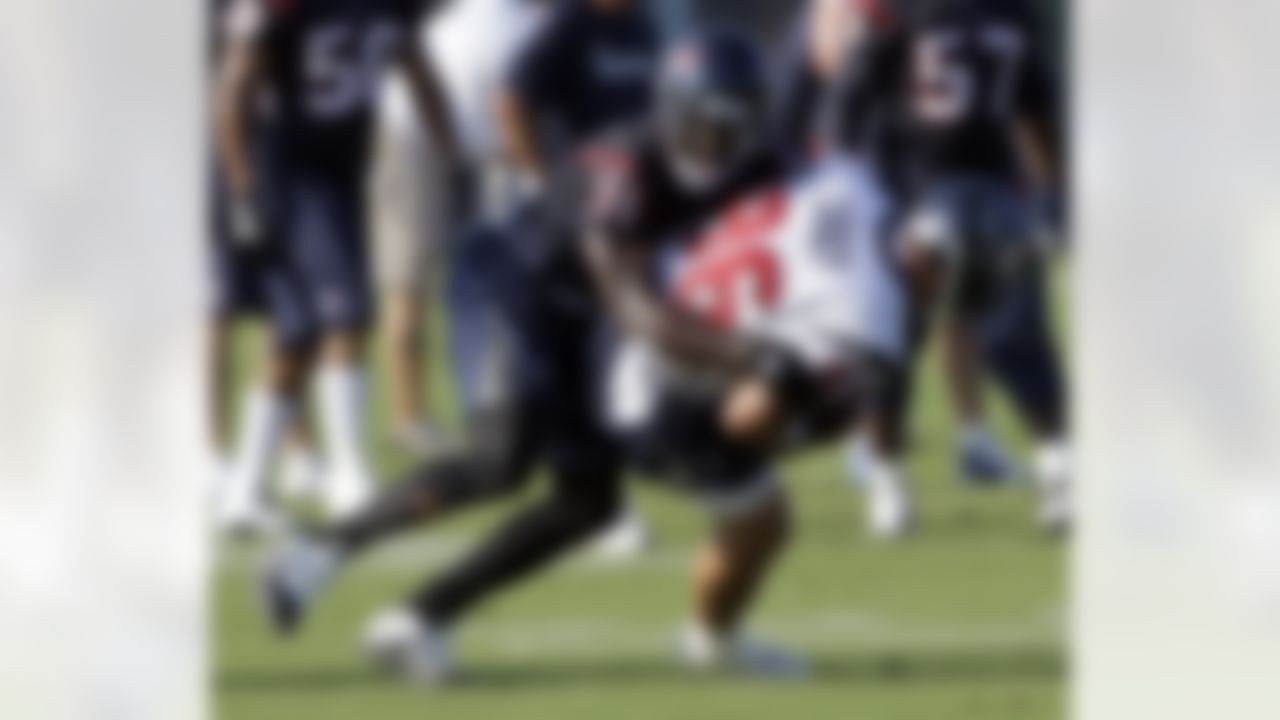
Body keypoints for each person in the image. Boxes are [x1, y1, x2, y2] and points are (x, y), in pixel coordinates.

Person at [259, 30, 905, 682]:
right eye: (705, 123)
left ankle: (416, 621)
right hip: (514, 284)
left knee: (588, 502)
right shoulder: (623, 167)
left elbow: (825, 190)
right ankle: (314, 553)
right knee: (501, 455)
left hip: (586, 318)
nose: (719, 142)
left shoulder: (762, 161)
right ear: (670, 111)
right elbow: (635, 308)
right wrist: (754, 354)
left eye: (735, 125)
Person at [211, 0, 457, 532]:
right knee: (348, 314)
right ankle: (349, 475)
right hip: (285, 171)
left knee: (297, 333)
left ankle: (243, 491)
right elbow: (232, 92)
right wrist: (243, 191)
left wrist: (449, 154)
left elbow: (421, 74)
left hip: (340, 173)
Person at [831, 0, 1071, 531]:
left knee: (887, 345)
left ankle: (889, 488)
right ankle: (1059, 474)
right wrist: (1052, 196)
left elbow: (846, 106)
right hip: (991, 198)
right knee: (1020, 342)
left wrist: (842, 193)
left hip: (912, 197)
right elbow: (1037, 109)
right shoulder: (1011, 14)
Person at [491, 0, 665, 556]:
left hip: (631, 216)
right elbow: (511, 97)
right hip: (578, 219)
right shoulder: (569, 22)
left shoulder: (643, 23)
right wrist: (542, 180)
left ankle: (601, 496)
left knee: (617, 354)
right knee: (590, 358)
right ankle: (598, 503)